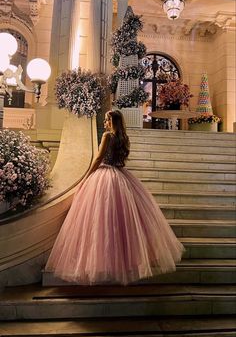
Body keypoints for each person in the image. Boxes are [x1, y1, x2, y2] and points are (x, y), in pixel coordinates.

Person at [45, 110, 184, 285]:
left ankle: (102, 262)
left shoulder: (107, 136)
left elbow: (97, 159)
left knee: (102, 222)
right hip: (121, 175)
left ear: (112, 122)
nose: (105, 123)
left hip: (104, 175)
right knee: (121, 223)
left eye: (107, 120)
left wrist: (86, 177)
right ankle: (124, 261)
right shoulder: (124, 139)